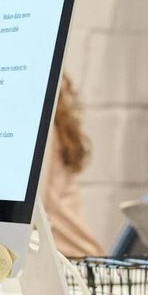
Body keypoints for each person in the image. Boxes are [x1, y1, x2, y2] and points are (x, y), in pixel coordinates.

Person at [39, 72, 104, 258]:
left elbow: (36, 206)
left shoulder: (44, 129)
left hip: (69, 256)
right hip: (68, 253)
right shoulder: (51, 126)